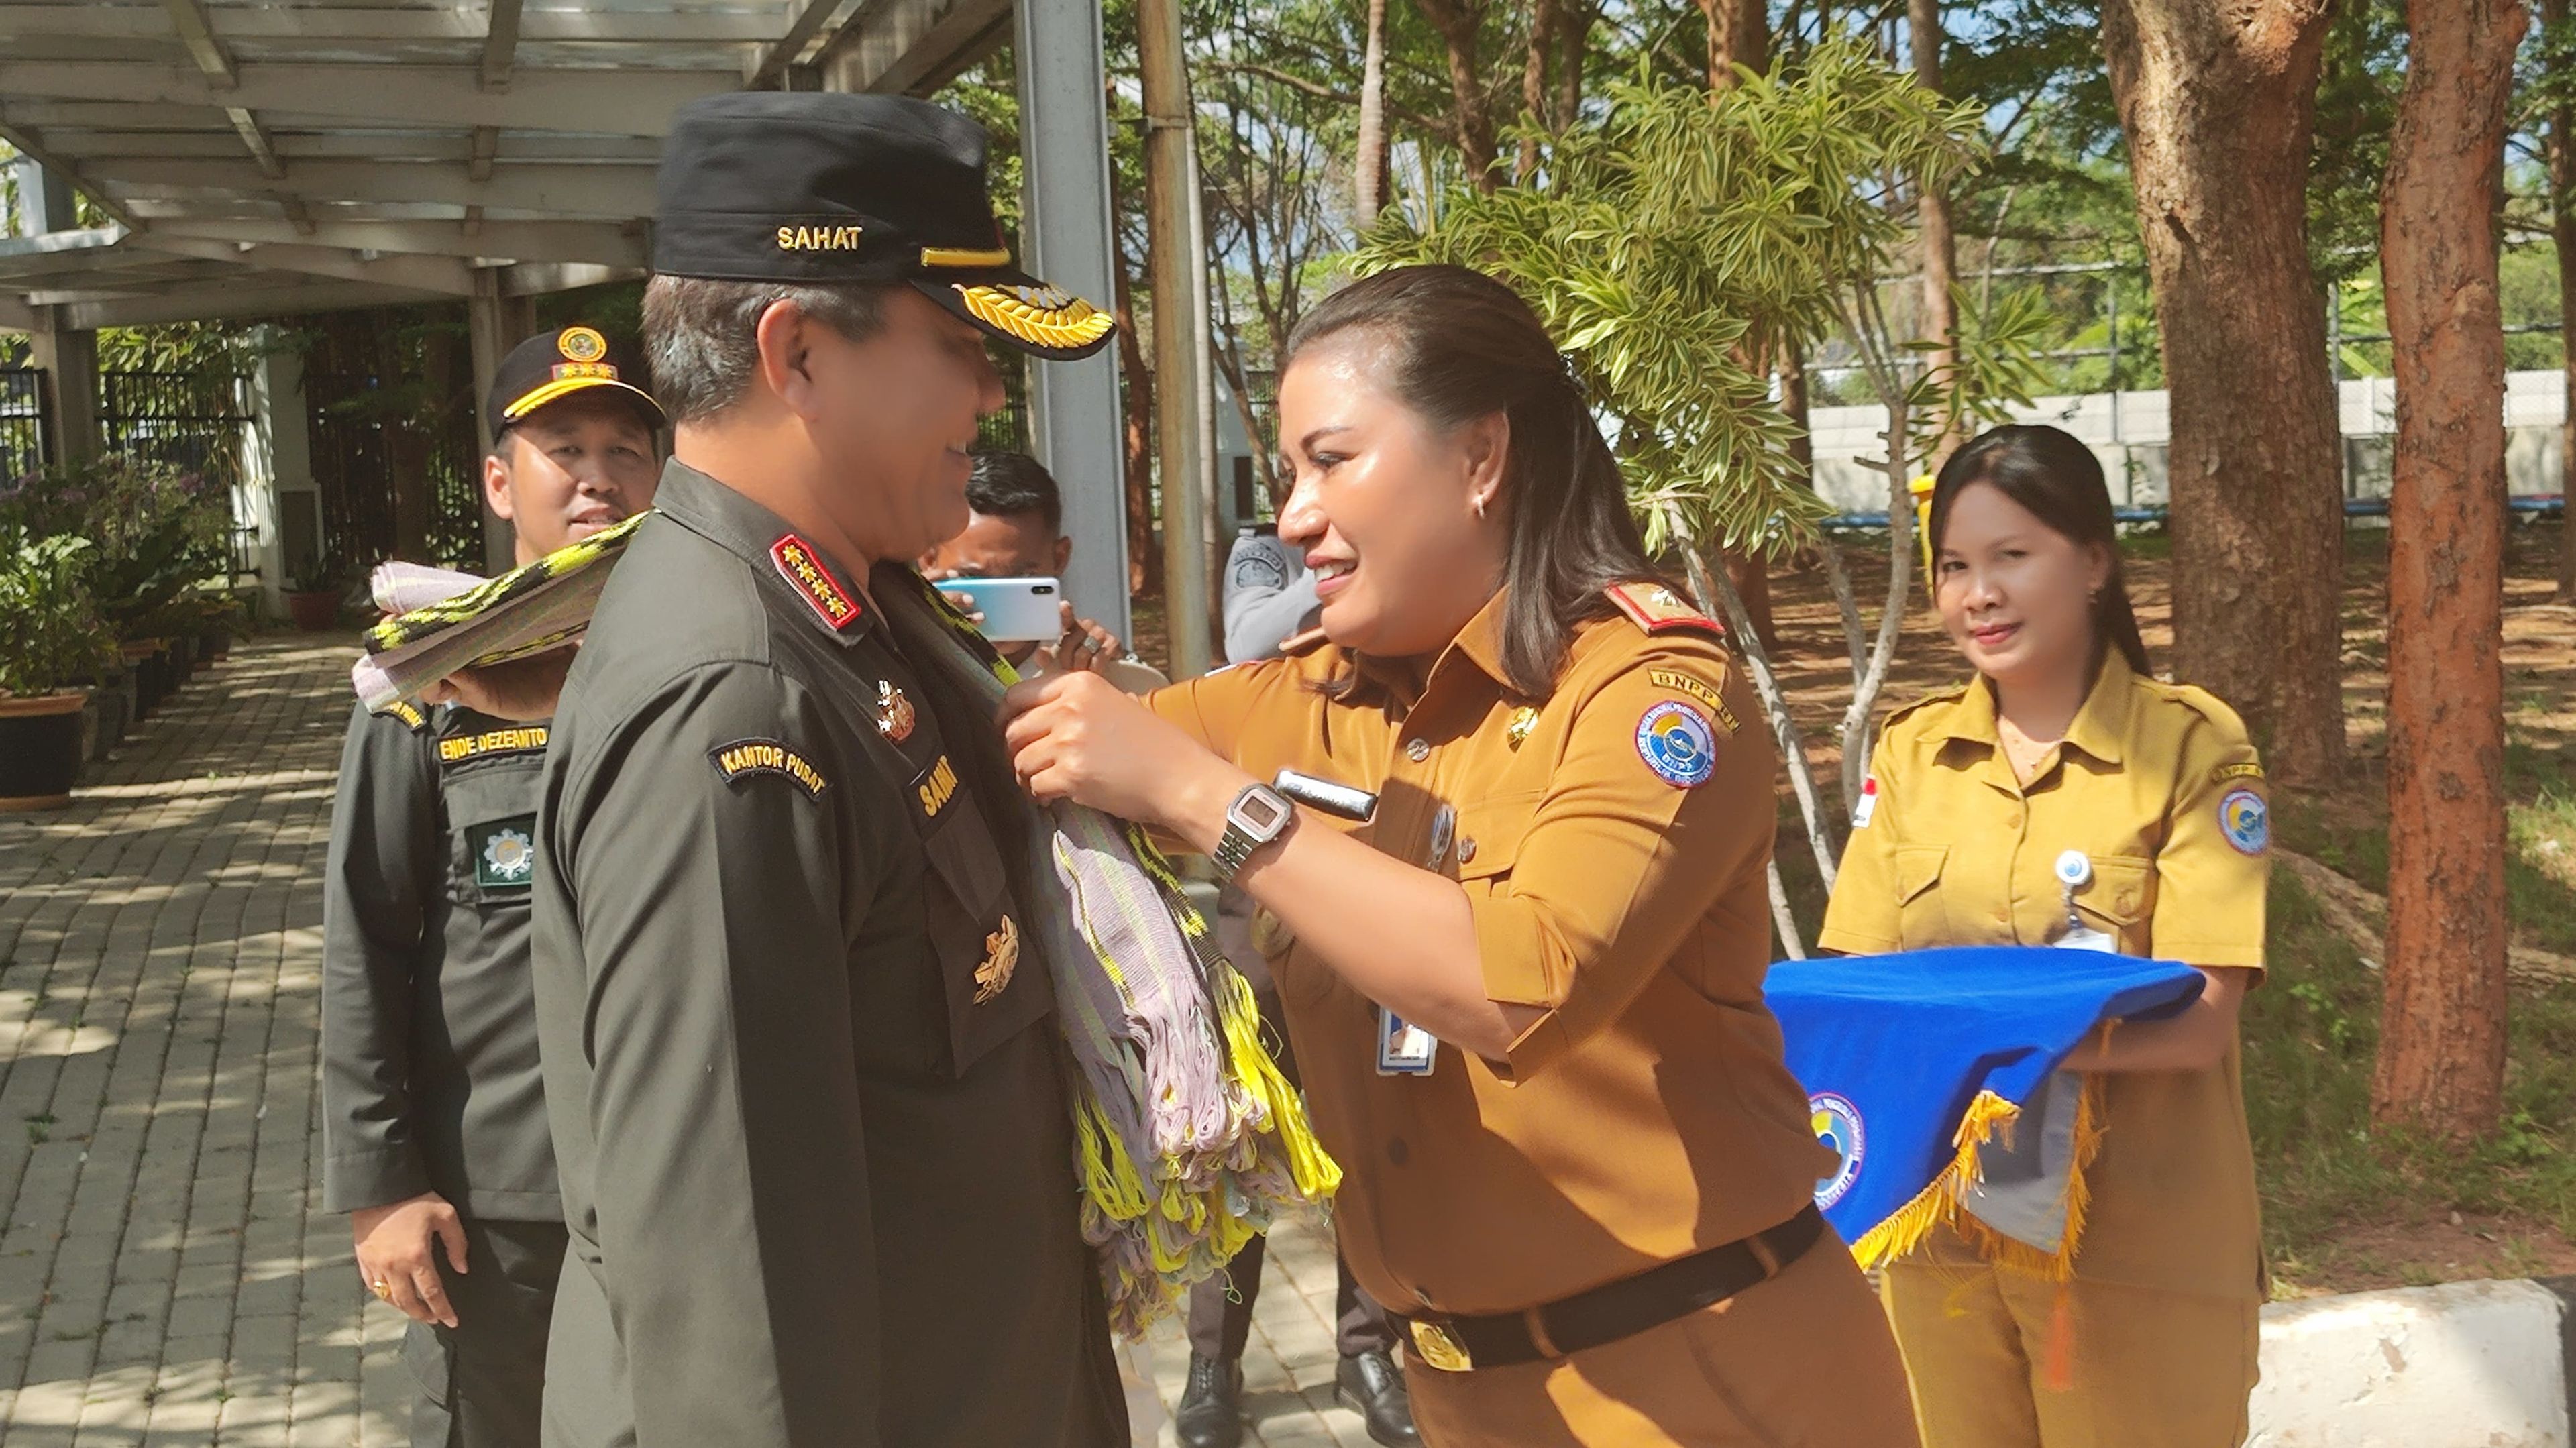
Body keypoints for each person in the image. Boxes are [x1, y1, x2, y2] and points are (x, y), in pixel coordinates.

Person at [1000, 264, 1919, 1447]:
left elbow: (1518, 980)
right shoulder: (1304, 698)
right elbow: (1049, 748)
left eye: (1331, 460)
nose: (1293, 514)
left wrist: (1204, 796)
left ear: (1483, 457)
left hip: (1704, 1373)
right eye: (1291, 471)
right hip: (1463, 1394)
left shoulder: (1652, 692)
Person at [525, 93, 1127, 1447]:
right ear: (797, 352)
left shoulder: (849, 616)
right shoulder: (732, 705)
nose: (989, 397)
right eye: (963, 349)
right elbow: (730, 1291)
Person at [1818, 423, 2269, 1448]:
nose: (1980, 593)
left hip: (2134, 1255)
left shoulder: (2191, 748)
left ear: (2096, 560)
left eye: (2012, 556)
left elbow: (2198, 1023)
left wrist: (1970, 1046)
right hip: (1940, 1245)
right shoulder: (1917, 750)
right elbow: (1860, 984)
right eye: (1956, 567)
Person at [321, 325, 664, 1448]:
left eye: (627, 446)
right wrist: (383, 1183)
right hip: (504, 1195)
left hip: (684, 1168)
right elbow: (366, 935)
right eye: (566, 446)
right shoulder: (431, 678)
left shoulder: (701, 667)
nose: (599, 474)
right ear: (500, 477)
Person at [1175, 520, 1417, 1448]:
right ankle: (1212, 1364)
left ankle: (1366, 1349)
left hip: (1389, 908)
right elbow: (1249, 637)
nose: (1321, 493)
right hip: (1266, 918)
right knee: (1247, 1150)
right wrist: (1359, 569)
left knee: (1374, 1141)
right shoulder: (1268, 547)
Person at [920, 449, 1124, 673]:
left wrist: (1111, 674)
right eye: (972, 578)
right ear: (928, 560)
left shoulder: (1083, 669)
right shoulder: (902, 665)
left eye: (1023, 578)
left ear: (1059, 559)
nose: (1001, 604)